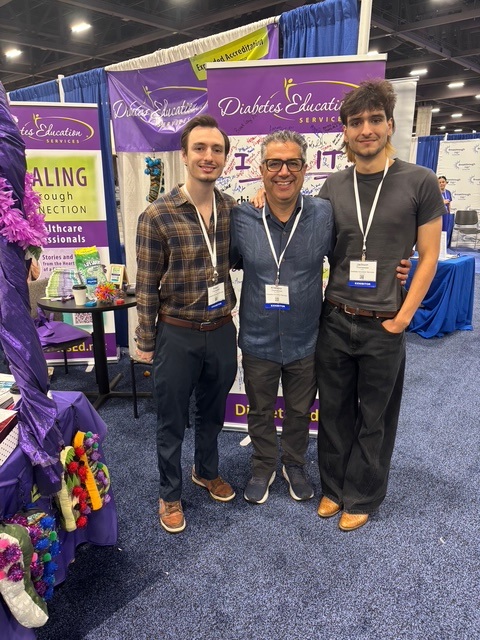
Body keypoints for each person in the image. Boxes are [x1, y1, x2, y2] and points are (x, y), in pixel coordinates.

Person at [315, 79, 444, 531]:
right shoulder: (333, 185)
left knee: (376, 415)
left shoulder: (419, 181)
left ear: (390, 125)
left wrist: (403, 317)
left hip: (385, 322)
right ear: (345, 132)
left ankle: (363, 493)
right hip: (336, 318)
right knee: (333, 412)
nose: (365, 129)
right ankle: (333, 487)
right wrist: (261, 197)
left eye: (374, 120)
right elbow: (311, 243)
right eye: (356, 122)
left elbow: (429, 255)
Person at [135, 114, 237, 534]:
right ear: (184, 155)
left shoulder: (232, 210)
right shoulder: (157, 215)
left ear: (225, 157)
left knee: (213, 412)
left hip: (222, 329)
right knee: (171, 419)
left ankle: (206, 471)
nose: (208, 156)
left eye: (216, 149)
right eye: (200, 148)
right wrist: (145, 340)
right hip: (176, 332)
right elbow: (145, 285)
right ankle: (170, 493)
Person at [230, 130, 334, 504]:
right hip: (257, 337)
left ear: (305, 168)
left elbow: (350, 256)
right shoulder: (242, 217)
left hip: (306, 338)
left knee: (300, 410)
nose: (283, 171)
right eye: (274, 163)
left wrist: (395, 269)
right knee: (259, 410)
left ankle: (294, 464)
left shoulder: (324, 215)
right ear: (262, 170)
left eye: (292, 163)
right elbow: (223, 262)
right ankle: (263, 466)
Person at [438, 175, 453, 246]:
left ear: (446, 182)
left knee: (445, 230)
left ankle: (443, 247)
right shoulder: (436, 192)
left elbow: (449, 203)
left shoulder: (448, 192)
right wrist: (442, 202)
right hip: (438, 214)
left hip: (446, 214)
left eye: (443, 182)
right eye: (440, 182)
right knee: (438, 230)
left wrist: (449, 212)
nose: (441, 184)